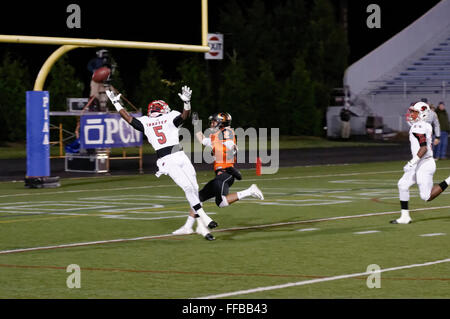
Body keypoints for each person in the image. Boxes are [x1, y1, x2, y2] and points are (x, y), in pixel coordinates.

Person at [105, 85, 217, 240]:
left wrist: (117, 104)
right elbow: (183, 116)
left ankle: (193, 226)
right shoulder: (153, 120)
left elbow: (129, 118)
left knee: (194, 188)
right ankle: (204, 218)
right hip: (167, 159)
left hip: (179, 155)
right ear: (162, 108)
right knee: (187, 187)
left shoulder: (154, 119)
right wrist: (187, 103)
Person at [172, 112, 265, 239]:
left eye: (215, 122)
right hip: (220, 174)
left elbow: (232, 144)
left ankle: (250, 191)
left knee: (220, 202)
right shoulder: (217, 136)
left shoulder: (226, 133)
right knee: (197, 198)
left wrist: (231, 148)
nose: (212, 124)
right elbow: (202, 140)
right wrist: (196, 125)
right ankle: (187, 227)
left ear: (222, 122)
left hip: (227, 173)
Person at [392, 101, 450, 224]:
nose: (411, 114)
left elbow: (423, 148)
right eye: (412, 111)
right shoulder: (422, 125)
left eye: (415, 112)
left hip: (424, 164)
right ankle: (405, 217)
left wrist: (411, 162)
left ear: (423, 114)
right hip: (420, 162)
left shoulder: (419, 127)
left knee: (426, 197)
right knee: (402, 184)